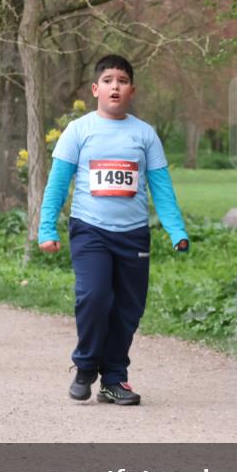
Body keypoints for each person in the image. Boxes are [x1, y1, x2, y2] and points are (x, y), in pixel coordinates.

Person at [38, 54, 189, 407]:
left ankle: (114, 378)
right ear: (95, 89)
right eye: (108, 80)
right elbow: (57, 184)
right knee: (93, 297)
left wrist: (175, 229)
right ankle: (86, 365)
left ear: (132, 90)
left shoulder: (144, 134)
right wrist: (47, 228)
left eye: (122, 80)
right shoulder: (79, 130)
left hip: (134, 233)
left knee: (128, 308)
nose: (115, 86)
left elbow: (161, 187)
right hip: (90, 230)